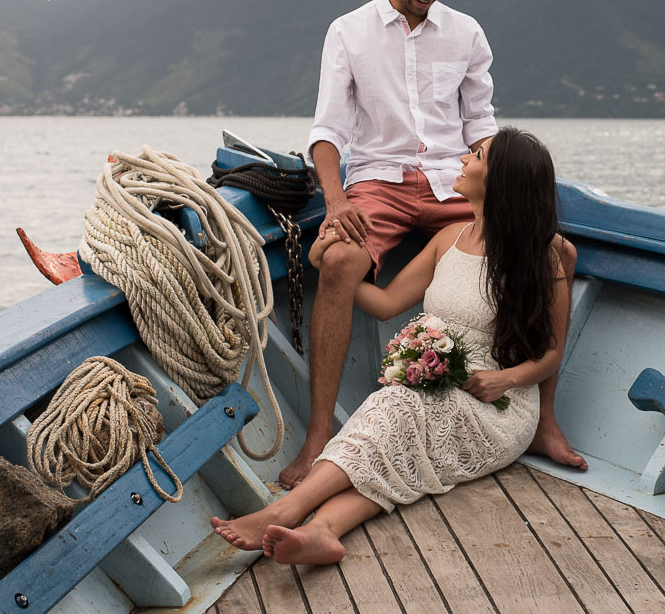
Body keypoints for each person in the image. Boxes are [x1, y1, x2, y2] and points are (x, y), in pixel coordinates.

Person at [279, 0, 585, 489]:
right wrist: (336, 199)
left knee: (556, 254)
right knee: (341, 260)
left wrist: (513, 194)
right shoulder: (347, 31)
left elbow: (482, 126)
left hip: (457, 184)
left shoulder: (466, 33)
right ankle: (320, 436)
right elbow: (327, 132)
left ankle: (544, 418)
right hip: (378, 183)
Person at [214, 129, 568, 563]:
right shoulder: (449, 239)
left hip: (498, 408)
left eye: (476, 156)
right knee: (397, 450)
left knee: (396, 410)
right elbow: (384, 304)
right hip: (436, 391)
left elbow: (551, 354)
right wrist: (322, 263)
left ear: (501, 181)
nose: (462, 159)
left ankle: (285, 509)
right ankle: (323, 530)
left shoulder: (541, 257)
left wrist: (503, 379)